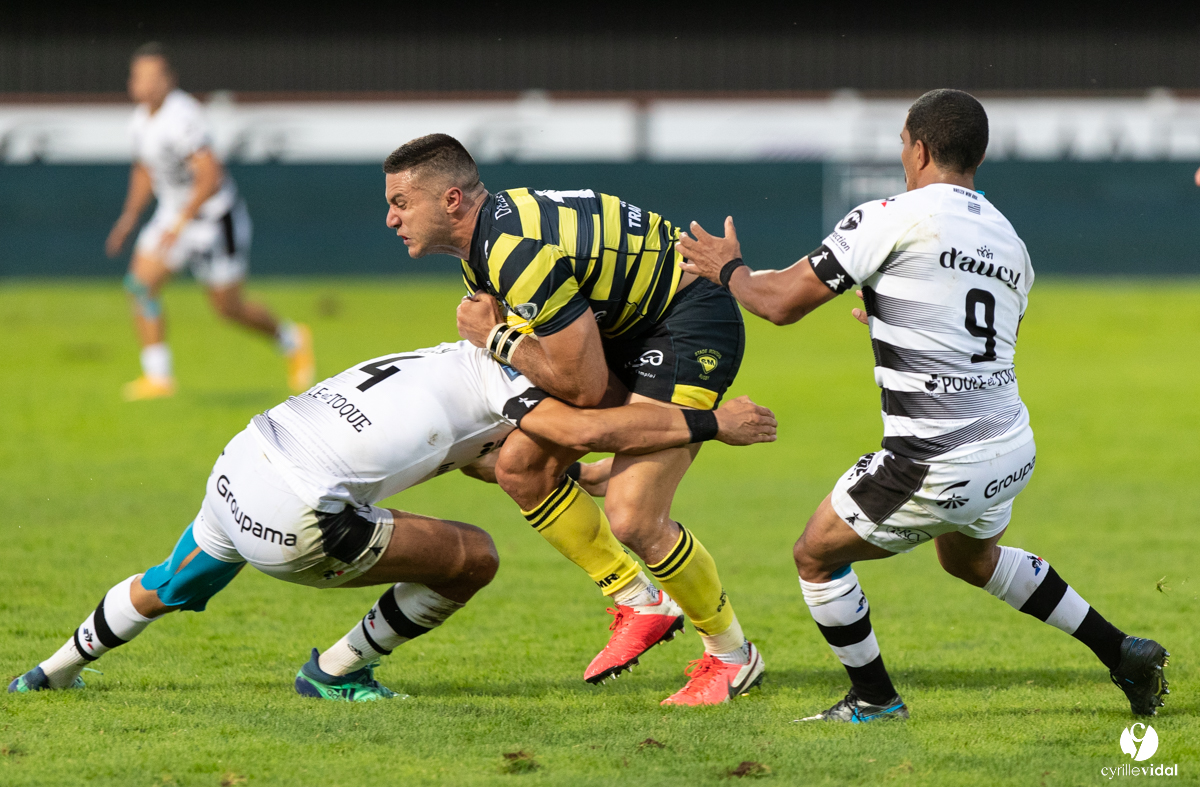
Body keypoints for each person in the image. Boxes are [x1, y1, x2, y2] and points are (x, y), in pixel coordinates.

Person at [676, 88, 1169, 722]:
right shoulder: (1009, 240)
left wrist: (729, 269)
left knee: (816, 555)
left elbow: (779, 303)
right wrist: (897, 314)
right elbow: (981, 336)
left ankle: (874, 700)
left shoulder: (890, 216)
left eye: (903, 145)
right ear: (977, 157)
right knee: (969, 559)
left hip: (934, 456)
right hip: (1010, 443)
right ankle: (1122, 651)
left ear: (921, 149)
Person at [9, 341, 775, 701]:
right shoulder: (508, 385)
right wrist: (712, 425)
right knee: (472, 558)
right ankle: (335, 673)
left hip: (244, 458)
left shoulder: (446, 358)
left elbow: (506, 461)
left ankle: (48, 672)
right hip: (300, 510)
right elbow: (578, 430)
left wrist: (597, 480)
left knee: (170, 580)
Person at [381, 135, 762, 706]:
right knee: (520, 468)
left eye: (401, 203)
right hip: (622, 329)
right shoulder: (484, 249)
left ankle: (733, 657)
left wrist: (495, 337)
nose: (391, 219)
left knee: (634, 516)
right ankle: (640, 602)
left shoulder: (513, 251)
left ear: (452, 200)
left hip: (686, 320)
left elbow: (580, 385)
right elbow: (576, 379)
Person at [104, 42, 314, 401]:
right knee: (140, 286)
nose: (145, 84)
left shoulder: (183, 116)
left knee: (228, 308)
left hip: (214, 220)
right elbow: (144, 170)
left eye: (153, 77)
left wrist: (181, 223)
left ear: (169, 79)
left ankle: (291, 339)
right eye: (139, 77)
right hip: (173, 215)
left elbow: (210, 175)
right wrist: (129, 217)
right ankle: (158, 377)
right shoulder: (139, 120)